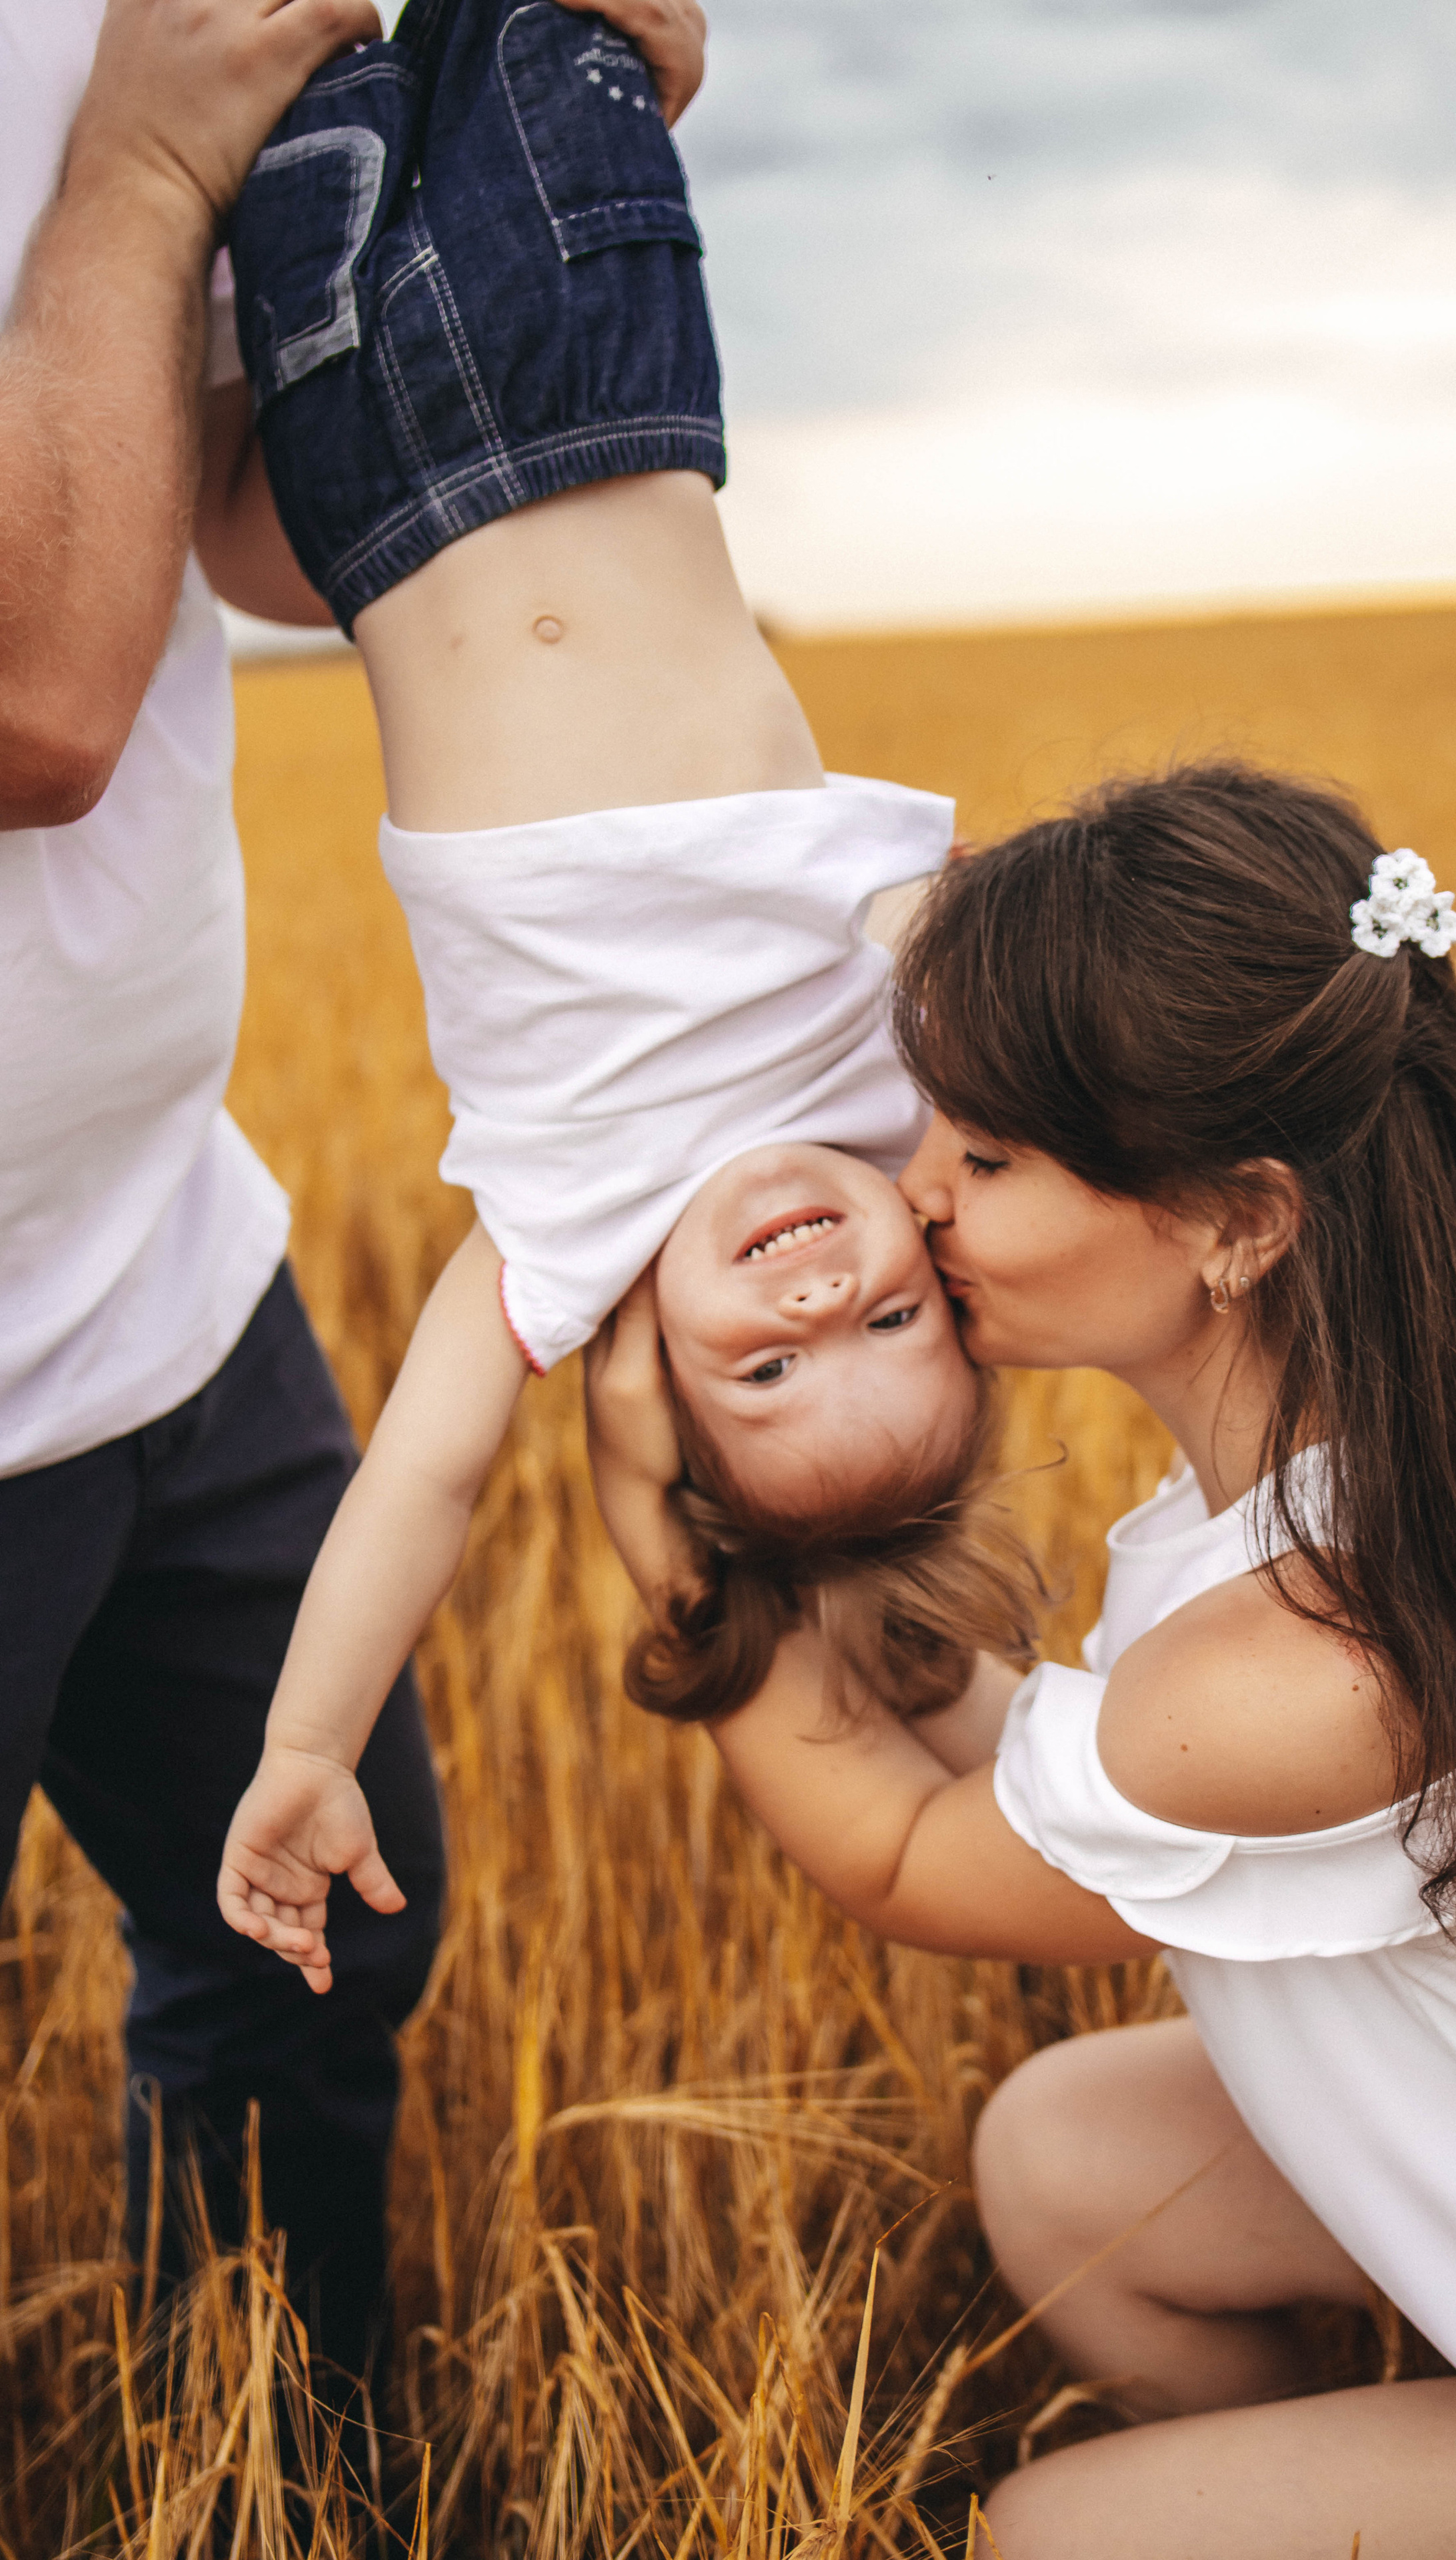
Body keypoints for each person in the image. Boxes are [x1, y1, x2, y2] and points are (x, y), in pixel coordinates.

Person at [583, 764, 1456, 2559]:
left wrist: (678, 1542)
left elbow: (903, 1857)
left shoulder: (1319, 1663)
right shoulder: (1433, 1468)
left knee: (1051, 2533)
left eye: (990, 1157)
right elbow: (1078, 1757)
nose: (919, 1195)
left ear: (1239, 1220)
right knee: (1066, 2156)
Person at [0, 0, 699, 2389]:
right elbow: (37, 697)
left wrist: (520, 179)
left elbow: (252, 529)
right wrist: (125, 177)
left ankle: (276, 2469)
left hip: (163, 1269)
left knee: (306, 1951)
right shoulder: (109, 81)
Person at [213, 0, 1034, 1993]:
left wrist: (310, 1745)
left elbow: (418, 1483)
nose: (824, 1296)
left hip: (366, 465)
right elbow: (1119, 1115)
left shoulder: (567, 1241)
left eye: (771, 1369)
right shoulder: (908, 1085)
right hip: (597, 371)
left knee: (255, 35)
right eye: (898, 1319)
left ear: (657, 1394)